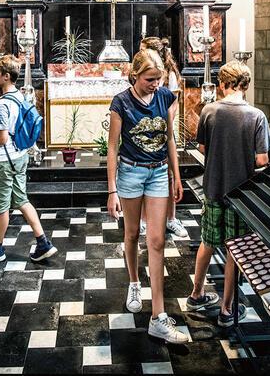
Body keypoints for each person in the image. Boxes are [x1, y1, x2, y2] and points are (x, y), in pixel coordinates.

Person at [107, 49, 188, 344]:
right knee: (131, 235)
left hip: (158, 173)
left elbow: (169, 137)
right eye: (150, 79)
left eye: (158, 79)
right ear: (135, 75)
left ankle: (158, 317)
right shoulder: (121, 102)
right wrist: (112, 189)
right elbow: (113, 148)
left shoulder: (166, 96)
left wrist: (176, 176)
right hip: (129, 173)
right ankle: (132, 281)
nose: (155, 84)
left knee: (156, 240)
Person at [186, 60, 270, 327]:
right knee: (234, 249)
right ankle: (226, 309)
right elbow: (261, 160)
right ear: (246, 85)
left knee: (208, 241)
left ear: (222, 84)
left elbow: (201, 147)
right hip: (241, 195)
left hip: (213, 188)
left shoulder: (209, 110)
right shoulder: (256, 116)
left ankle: (196, 294)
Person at [0, 55, 57, 264]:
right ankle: (43, 243)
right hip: (19, 156)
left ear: (6, 76)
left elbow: (2, 137)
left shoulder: (1, 104)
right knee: (21, 200)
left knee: (0, 207)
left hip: (4, 160)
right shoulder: (20, 96)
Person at [139, 37, 188, 239]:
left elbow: (174, 102)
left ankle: (171, 219)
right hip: (143, 130)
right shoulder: (140, 71)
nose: (139, 53)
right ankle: (142, 220)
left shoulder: (169, 75)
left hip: (163, 130)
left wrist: (165, 120)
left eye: (143, 50)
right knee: (141, 174)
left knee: (167, 176)